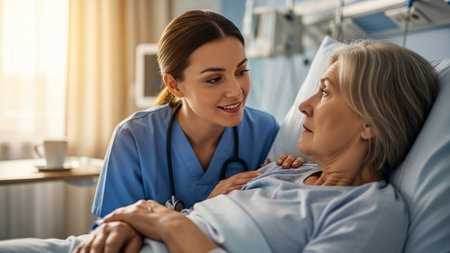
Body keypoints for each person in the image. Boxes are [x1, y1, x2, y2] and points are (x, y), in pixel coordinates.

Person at [0, 40, 438, 253]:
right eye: (213, 78)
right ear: (175, 85)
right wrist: (135, 223)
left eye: (324, 91)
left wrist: (165, 222)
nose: (302, 104)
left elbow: (184, 227)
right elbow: (190, 218)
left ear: (371, 122)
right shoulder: (283, 170)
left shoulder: (370, 211)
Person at [91, 9, 286, 224]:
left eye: (241, 71)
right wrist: (205, 208)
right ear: (175, 85)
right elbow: (112, 234)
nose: (236, 92)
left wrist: (297, 171)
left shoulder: (264, 131)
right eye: (214, 79)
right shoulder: (133, 138)